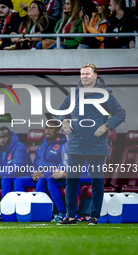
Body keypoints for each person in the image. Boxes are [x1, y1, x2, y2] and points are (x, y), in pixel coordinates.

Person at [57, 63, 126, 225]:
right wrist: (64, 121)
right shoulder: (73, 94)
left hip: (96, 145)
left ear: (95, 75)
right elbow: (59, 111)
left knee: (96, 181)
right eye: (82, 74)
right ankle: (71, 216)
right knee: (71, 181)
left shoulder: (105, 94)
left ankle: (94, 217)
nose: (84, 76)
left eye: (87, 74)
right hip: (75, 144)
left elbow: (120, 113)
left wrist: (106, 126)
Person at [13, 120, 66, 197]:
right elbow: (35, 166)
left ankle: (39, 206)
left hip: (52, 178)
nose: (48, 130)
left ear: (57, 131)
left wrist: (43, 174)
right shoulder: (40, 147)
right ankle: (23, 206)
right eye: (46, 128)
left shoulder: (63, 146)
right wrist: (34, 173)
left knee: (42, 180)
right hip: (40, 176)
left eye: (51, 128)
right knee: (18, 181)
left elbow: (61, 167)